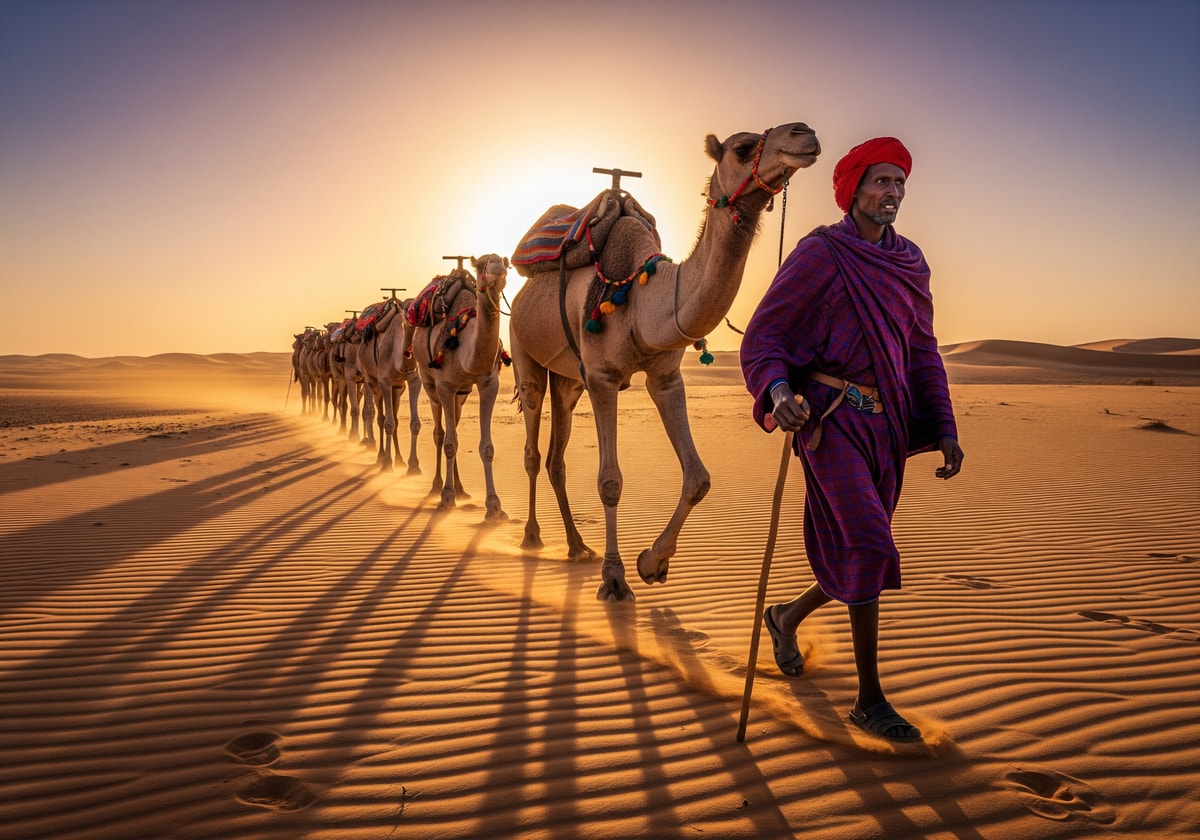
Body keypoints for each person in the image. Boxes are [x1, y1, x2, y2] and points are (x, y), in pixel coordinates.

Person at [739, 136, 964, 743]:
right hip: (830, 420)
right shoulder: (821, 253)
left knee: (862, 548)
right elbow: (764, 336)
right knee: (867, 542)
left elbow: (922, 349)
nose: (893, 192)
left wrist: (945, 426)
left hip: (886, 425)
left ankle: (786, 616)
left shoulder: (910, 263)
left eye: (900, 182)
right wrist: (777, 393)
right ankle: (870, 700)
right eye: (881, 181)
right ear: (854, 188)